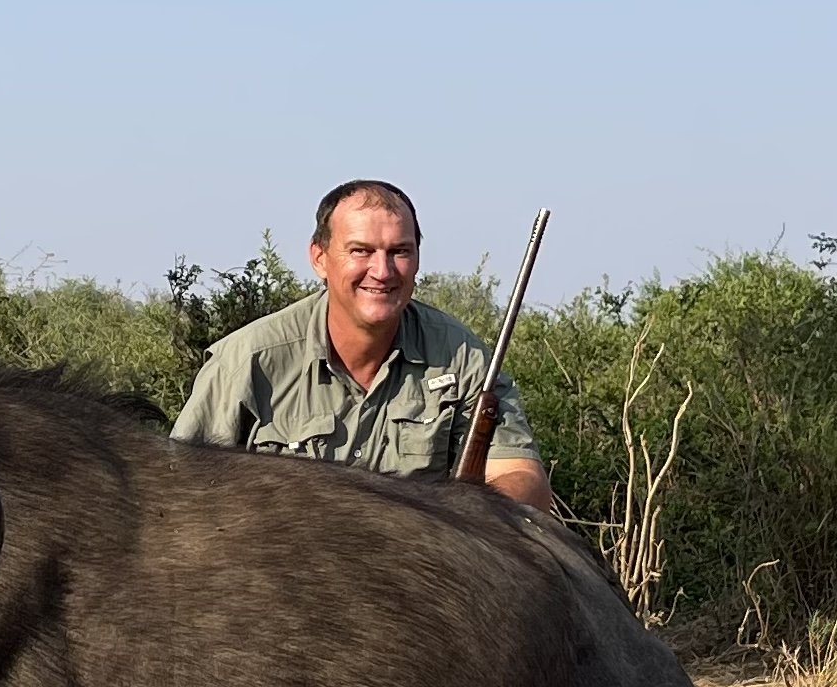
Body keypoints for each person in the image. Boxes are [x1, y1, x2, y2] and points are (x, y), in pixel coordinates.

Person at [171, 178, 552, 509]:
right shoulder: (246, 361)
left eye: (399, 252)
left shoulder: (462, 358)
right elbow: (177, 490)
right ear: (319, 258)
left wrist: (458, 521)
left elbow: (524, 479)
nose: (382, 271)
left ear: (418, 259)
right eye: (361, 251)